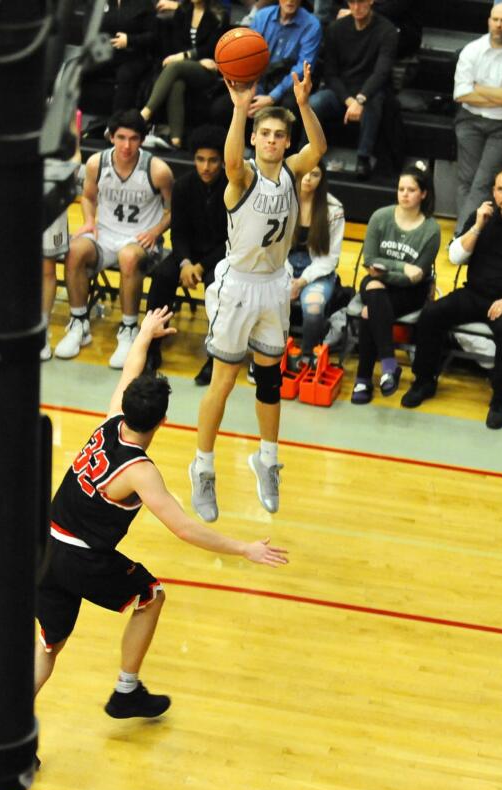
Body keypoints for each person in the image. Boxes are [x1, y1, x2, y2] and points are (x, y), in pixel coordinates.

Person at [35, 305, 288, 724]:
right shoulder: (138, 471)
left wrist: (144, 334)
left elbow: (128, 373)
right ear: (163, 422)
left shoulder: (110, 421)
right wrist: (244, 549)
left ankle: (11, 733)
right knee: (151, 597)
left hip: (43, 544)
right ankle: (125, 691)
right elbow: (185, 529)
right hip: (80, 558)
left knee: (49, 648)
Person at [190, 63, 327, 522]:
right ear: (255, 138)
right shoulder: (242, 177)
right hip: (239, 287)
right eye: (264, 133)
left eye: (277, 135)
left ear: (286, 142)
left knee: (270, 381)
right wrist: (238, 109)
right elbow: (229, 161)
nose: (271, 140)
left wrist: (304, 105)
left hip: (274, 285)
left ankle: (267, 461)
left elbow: (320, 148)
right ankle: (203, 468)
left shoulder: (291, 171)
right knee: (224, 381)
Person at [400, 166, 502, 430]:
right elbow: (455, 257)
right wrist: (478, 227)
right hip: (474, 294)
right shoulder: (479, 218)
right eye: (500, 189)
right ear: (493, 192)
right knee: (432, 314)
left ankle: (499, 397)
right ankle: (425, 380)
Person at [54, 110, 173, 370]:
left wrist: (156, 232)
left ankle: (129, 329)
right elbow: (88, 196)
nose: (126, 145)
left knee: (128, 257)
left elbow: (171, 210)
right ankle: (79, 324)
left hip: (141, 240)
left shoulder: (158, 170)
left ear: (142, 140)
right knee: (73, 250)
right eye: (120, 138)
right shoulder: (97, 163)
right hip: (105, 235)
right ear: (110, 137)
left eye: (133, 138)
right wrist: (88, 220)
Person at [144, 125, 228, 382]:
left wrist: (200, 267)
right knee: (161, 277)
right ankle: (151, 348)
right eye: (201, 160)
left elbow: (231, 240)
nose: (206, 167)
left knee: (219, 287)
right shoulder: (182, 186)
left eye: (213, 161)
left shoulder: (233, 188)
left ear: (223, 161)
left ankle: (216, 356)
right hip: (187, 255)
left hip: (221, 257)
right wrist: (184, 263)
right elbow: (177, 232)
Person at [350, 164, 440, 404]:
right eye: (401, 189)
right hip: (376, 283)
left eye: (411, 190)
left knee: (370, 311)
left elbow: (417, 276)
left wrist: (385, 270)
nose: (405, 194)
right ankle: (389, 365)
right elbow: (369, 261)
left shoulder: (431, 230)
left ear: (423, 194)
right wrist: (401, 267)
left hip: (411, 292)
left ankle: (363, 379)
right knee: (373, 289)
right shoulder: (380, 217)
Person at [451, 3, 502, 232]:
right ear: (489, 20)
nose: (499, 25)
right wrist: (501, 95)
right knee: (466, 180)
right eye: (495, 19)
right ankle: (471, 232)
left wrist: (479, 89)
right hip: (469, 120)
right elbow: (461, 94)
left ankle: (463, 235)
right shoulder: (472, 50)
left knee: (482, 182)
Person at [311, 0, 398, 179]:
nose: (357, 8)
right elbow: (331, 74)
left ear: (371, 2)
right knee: (315, 103)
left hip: (370, 89)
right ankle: (309, 152)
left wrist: (361, 98)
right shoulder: (336, 29)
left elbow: (381, 72)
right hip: (341, 91)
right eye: (352, 2)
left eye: (361, 2)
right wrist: (350, 101)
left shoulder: (387, 30)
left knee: (374, 103)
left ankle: (363, 158)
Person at [211, 0, 321, 123]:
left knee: (290, 106)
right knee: (220, 109)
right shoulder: (262, 16)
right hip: (258, 79)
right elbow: (248, 55)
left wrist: (272, 97)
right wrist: (250, 89)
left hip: (288, 84)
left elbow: (302, 67)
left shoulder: (312, 25)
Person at [138, 0, 227, 149]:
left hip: (209, 68)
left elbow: (212, 47)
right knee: (177, 83)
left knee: (174, 67)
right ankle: (175, 140)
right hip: (190, 65)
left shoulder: (220, 15)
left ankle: (144, 115)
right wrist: (190, 58)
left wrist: (186, 56)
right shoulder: (183, 12)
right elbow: (178, 43)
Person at [287, 162, 344, 369]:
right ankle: (271, 355)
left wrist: (301, 281)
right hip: (283, 267)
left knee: (313, 307)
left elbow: (330, 258)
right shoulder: (281, 202)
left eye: (315, 174)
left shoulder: (334, 209)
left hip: (318, 271)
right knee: (267, 302)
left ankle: (307, 356)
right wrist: (288, 278)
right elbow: (274, 248)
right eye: (304, 174)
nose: (308, 179)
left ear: (322, 179)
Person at [41, 111, 84, 362]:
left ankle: (42, 332)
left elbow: (74, 157)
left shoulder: (61, 112)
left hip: (50, 205)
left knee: (47, 270)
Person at [99, 0, 160, 113]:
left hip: (134, 55)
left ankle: (116, 124)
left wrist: (129, 40)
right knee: (78, 70)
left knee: (125, 74)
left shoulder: (143, 4)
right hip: (105, 54)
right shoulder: (102, 3)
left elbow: (154, 37)